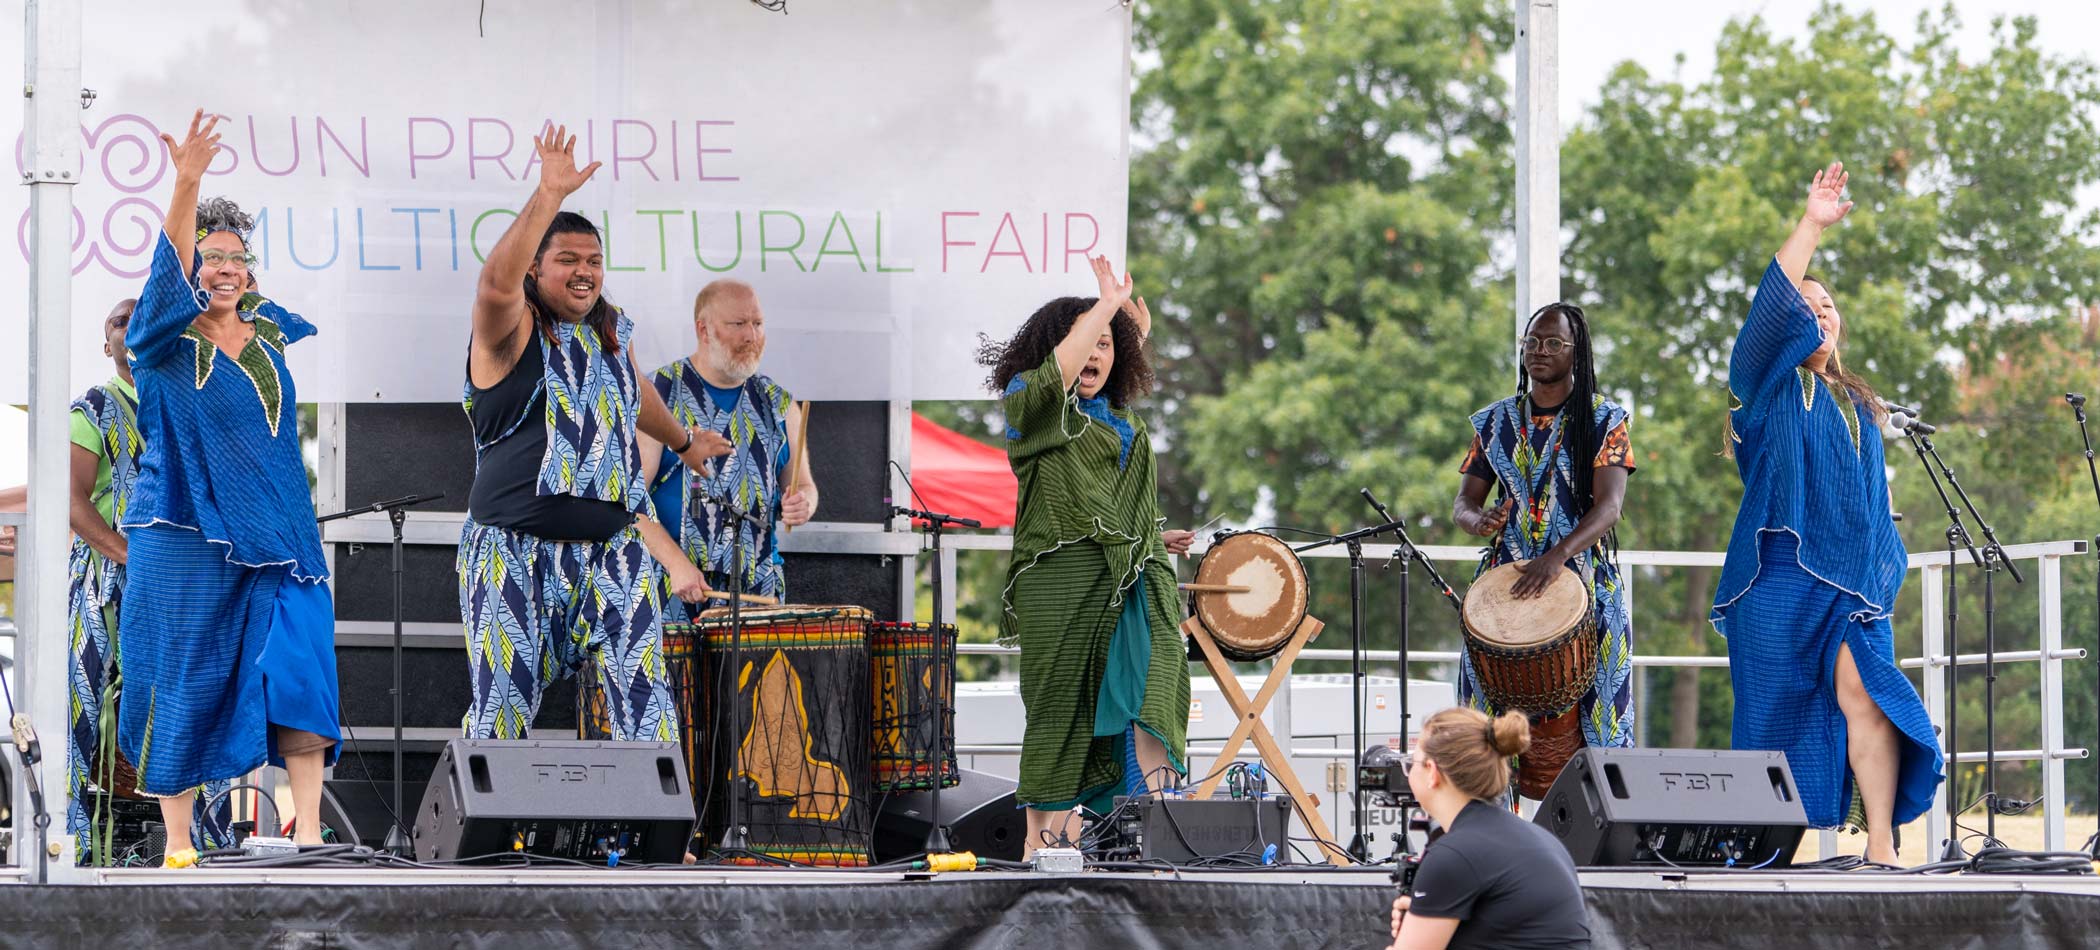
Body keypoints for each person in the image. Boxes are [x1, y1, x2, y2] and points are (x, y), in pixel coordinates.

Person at [118, 110, 340, 865]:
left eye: (238, 258)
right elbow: (161, 282)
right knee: (181, 677)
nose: (226, 269)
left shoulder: (271, 332)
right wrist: (186, 182)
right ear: (187, 269)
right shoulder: (161, 338)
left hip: (279, 535)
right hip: (183, 536)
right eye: (210, 258)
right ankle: (179, 841)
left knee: (302, 669)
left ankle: (307, 832)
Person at [1711, 161, 1942, 865]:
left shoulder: (1863, 406)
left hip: (1851, 587)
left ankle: (1880, 850)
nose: (1818, 314)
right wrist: (1812, 224)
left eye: (1829, 306)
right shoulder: (1764, 386)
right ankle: (1763, 857)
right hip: (1776, 581)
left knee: (1866, 696)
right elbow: (1771, 307)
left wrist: (1883, 573)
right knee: (1771, 718)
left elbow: (1877, 506)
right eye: (1805, 307)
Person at [459, 124, 719, 742]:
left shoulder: (608, 330)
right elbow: (495, 284)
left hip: (612, 549)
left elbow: (633, 398)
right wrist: (547, 194)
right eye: (567, 260)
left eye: (594, 261)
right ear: (536, 270)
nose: (585, 272)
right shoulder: (509, 330)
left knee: (646, 702)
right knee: (503, 712)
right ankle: (495, 838)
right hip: (513, 551)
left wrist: (684, 441)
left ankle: (654, 837)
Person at [979, 257, 1195, 856]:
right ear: (1056, 348)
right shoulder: (1032, 406)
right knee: (1061, 708)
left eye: (1108, 345)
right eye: (1087, 343)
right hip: (1062, 580)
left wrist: (1153, 532)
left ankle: (1157, 831)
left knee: (1156, 686)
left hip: (1134, 578)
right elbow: (1058, 378)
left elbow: (1109, 496)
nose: (1098, 353)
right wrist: (1105, 307)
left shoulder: (1122, 419)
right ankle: (1040, 848)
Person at [63, 298, 231, 863]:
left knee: (190, 704)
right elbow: (70, 500)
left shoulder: (191, 402)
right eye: (117, 322)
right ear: (103, 342)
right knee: (94, 713)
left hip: (186, 586)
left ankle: (199, 843)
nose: (130, 330)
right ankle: (89, 849)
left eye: (141, 320)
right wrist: (131, 555)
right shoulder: (96, 406)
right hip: (107, 585)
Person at [1451, 302, 1636, 787]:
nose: (1539, 351)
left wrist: (1557, 558)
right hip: (1505, 581)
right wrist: (1478, 521)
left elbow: (1609, 507)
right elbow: (1464, 502)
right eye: (1532, 342)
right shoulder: (1495, 423)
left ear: (1577, 353)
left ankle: (1607, 823)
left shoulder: (1603, 418)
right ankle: (1483, 811)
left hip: (1582, 579)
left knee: (1603, 714)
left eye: (1554, 343)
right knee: (1481, 701)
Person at [639, 279, 816, 618]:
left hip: (758, 595)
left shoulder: (779, 404)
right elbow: (628, 503)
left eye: (758, 324)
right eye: (738, 324)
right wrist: (677, 564)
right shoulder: (657, 394)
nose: (751, 336)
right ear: (703, 329)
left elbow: (803, 486)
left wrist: (803, 504)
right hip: (671, 591)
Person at [1385, 708, 1590, 950]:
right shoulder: (1543, 840)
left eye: (1413, 763)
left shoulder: (1455, 855)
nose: (1409, 770)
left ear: (1432, 772)